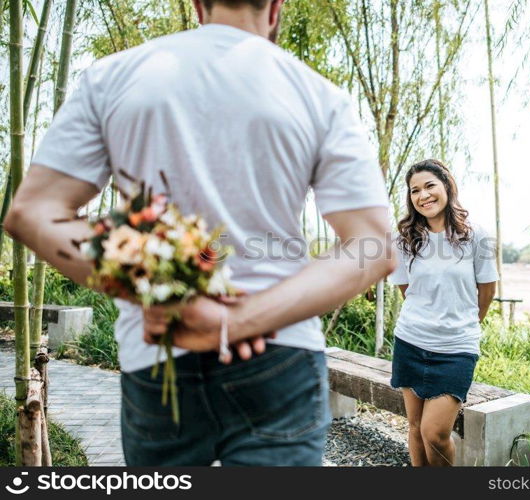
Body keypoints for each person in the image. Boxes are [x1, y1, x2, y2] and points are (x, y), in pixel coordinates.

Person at [5, 0, 395, 466]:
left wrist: (164, 294)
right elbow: (372, 248)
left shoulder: (114, 77)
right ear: (275, 9)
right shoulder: (318, 94)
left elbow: (33, 213)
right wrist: (239, 320)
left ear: (197, 6)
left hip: (158, 349)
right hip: (279, 352)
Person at [388, 159, 498, 466]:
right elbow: (408, 292)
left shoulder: (476, 236)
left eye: (429, 186)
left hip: (456, 348)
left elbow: (486, 292)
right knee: (414, 428)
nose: (423, 195)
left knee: (434, 433)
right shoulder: (404, 240)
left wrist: (461, 325)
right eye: (415, 191)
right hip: (410, 341)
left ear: (447, 186)